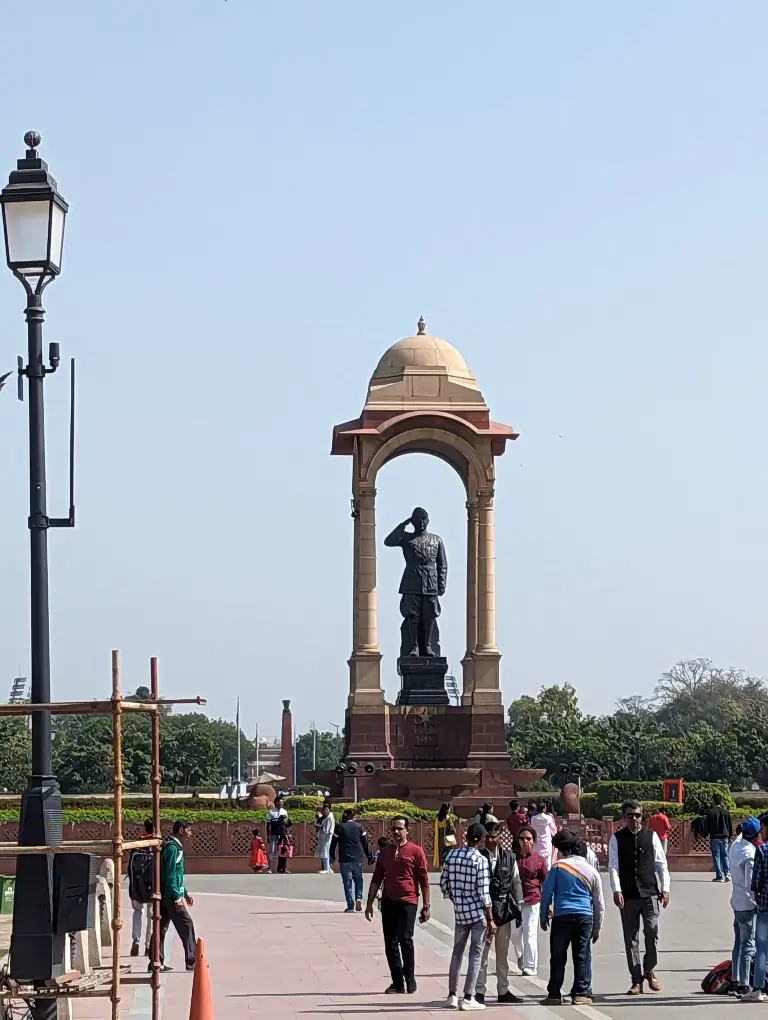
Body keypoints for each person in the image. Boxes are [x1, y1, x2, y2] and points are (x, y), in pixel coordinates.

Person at [607, 800, 670, 995]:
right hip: (628, 895)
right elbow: (613, 866)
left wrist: (665, 888)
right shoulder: (617, 838)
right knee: (631, 938)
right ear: (623, 817)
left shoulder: (651, 837)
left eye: (637, 815)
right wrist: (616, 890)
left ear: (642, 816)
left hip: (650, 892)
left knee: (652, 932)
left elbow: (661, 864)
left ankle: (649, 969)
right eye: (629, 815)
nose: (634, 819)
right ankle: (636, 979)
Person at [365, 816, 430, 995]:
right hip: (388, 902)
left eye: (400, 829)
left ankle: (410, 978)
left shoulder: (416, 852)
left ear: (407, 830)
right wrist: (369, 903)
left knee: (405, 939)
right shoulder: (385, 852)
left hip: (408, 901)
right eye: (393, 829)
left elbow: (424, 881)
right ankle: (397, 982)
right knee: (390, 943)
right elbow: (377, 878)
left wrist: (426, 906)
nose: (396, 832)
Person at [540, 828, 604, 1007]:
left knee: (558, 955)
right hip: (585, 917)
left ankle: (554, 994)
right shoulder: (592, 872)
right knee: (582, 955)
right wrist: (597, 928)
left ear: (565, 851)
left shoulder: (558, 867)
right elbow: (599, 904)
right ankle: (581, 993)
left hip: (562, 917)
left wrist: (543, 916)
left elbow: (546, 893)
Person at [440, 822, 494, 1011]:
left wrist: (456, 899)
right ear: (480, 840)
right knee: (475, 955)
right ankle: (468, 996)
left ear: (467, 837)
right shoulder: (480, 860)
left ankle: (452, 995)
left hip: (460, 913)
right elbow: (484, 894)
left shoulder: (452, 855)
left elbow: (444, 884)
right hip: (477, 914)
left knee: (456, 953)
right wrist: (491, 919)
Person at [476, 822, 524, 1005]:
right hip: (484, 912)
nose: (490, 840)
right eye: (487, 836)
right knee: (483, 954)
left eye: (493, 836)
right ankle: (479, 990)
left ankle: (503, 990)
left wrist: (519, 908)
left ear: (500, 837)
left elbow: (516, 883)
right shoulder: (478, 857)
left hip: (504, 911)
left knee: (503, 955)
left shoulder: (510, 858)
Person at [157, 820, 196, 973]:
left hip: (166, 894)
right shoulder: (173, 849)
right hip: (170, 896)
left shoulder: (172, 847)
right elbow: (171, 874)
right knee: (187, 925)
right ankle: (192, 961)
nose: (190, 833)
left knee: (160, 928)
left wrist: (184, 893)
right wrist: (177, 897)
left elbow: (175, 875)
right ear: (181, 830)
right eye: (189, 830)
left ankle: (156, 961)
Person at [511, 824, 548, 977]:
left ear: (533, 841)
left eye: (528, 839)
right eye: (522, 838)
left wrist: (548, 903)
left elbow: (545, 881)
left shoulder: (538, 859)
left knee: (530, 933)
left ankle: (530, 966)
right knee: (514, 934)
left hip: (533, 899)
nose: (525, 841)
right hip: (515, 901)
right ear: (518, 841)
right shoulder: (512, 858)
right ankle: (521, 956)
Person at [729, 815, 760, 998]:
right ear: (756, 836)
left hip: (736, 900)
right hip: (747, 903)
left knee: (738, 943)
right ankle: (744, 984)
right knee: (748, 945)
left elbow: (739, 836)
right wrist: (757, 901)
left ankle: (734, 979)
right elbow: (751, 883)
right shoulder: (750, 854)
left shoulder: (736, 846)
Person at [746, 814, 768, 1001]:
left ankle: (758, 989)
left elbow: (757, 881)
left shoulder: (762, 850)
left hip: (765, 906)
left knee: (762, 949)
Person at [334, 808, 372, 912]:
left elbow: (333, 843)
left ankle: (350, 905)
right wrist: (369, 856)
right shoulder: (360, 827)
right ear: (353, 816)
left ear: (345, 815)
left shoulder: (340, 827)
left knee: (347, 882)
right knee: (358, 879)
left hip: (345, 858)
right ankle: (358, 898)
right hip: (357, 858)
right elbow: (365, 843)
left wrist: (332, 856)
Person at [128, 818, 155, 957]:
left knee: (137, 912)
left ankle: (136, 940)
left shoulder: (137, 845)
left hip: (137, 887)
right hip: (151, 888)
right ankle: (148, 945)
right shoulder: (156, 844)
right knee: (152, 916)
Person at [705, 793, 733, 882]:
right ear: (721, 801)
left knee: (716, 856)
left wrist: (706, 834)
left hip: (714, 837)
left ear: (713, 801)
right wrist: (730, 836)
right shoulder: (726, 812)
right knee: (725, 855)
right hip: (724, 836)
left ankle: (719, 875)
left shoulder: (710, 812)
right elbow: (729, 825)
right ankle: (727, 874)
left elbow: (707, 825)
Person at [530, 800, 557, 870]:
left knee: (536, 861)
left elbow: (532, 828)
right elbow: (553, 829)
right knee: (547, 862)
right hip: (546, 841)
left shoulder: (533, 818)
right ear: (544, 809)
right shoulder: (548, 818)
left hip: (536, 841)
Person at [266, 796, 288, 869]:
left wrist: (286, 834)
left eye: (282, 802)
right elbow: (268, 824)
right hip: (273, 834)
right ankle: (270, 867)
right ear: (276, 803)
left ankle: (282, 868)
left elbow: (286, 823)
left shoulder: (284, 811)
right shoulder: (271, 812)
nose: (282, 803)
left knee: (282, 851)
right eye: (280, 802)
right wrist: (268, 835)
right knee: (272, 851)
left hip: (281, 834)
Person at [434, 803, 457, 867]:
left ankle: (441, 866)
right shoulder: (447, 818)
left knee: (441, 853)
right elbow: (452, 829)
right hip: (447, 838)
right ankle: (447, 866)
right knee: (448, 853)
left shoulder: (438, 818)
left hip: (440, 838)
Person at [315, 803, 335, 873]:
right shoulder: (322, 817)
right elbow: (316, 823)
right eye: (324, 810)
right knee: (324, 851)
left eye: (327, 809)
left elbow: (327, 829)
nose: (326, 811)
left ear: (329, 810)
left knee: (325, 851)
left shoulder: (330, 817)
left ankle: (327, 868)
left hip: (327, 836)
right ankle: (328, 868)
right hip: (322, 836)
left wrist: (320, 826)